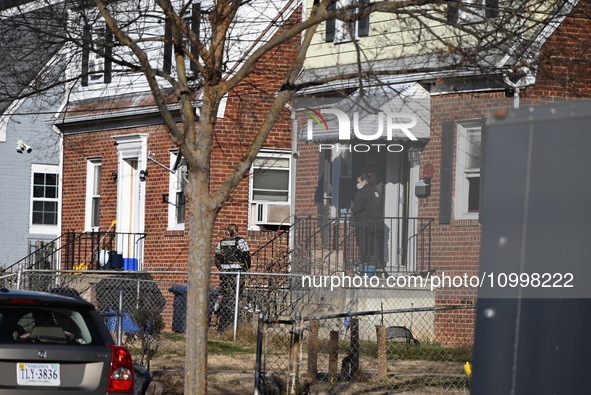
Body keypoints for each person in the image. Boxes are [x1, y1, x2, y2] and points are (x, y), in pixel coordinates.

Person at [214, 223, 251, 332]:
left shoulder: (221, 243)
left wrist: (221, 268)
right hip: (237, 273)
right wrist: (246, 268)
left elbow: (217, 258)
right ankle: (235, 323)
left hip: (225, 273)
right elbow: (246, 256)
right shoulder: (241, 241)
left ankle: (223, 322)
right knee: (237, 296)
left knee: (226, 296)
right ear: (236, 231)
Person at [350, 172, 384, 272]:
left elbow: (358, 207)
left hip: (365, 223)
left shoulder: (362, 192)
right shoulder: (376, 191)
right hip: (377, 223)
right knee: (375, 247)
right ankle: (377, 268)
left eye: (359, 182)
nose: (357, 184)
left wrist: (351, 210)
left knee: (364, 247)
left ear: (364, 181)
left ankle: (365, 269)